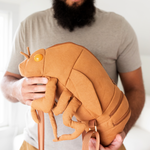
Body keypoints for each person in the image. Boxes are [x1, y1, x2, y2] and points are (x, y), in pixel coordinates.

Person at [0, 0, 145, 150]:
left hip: (103, 145)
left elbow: (136, 89)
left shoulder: (119, 27)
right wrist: (16, 89)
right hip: (35, 145)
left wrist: (120, 132)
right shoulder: (29, 25)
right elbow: (7, 80)